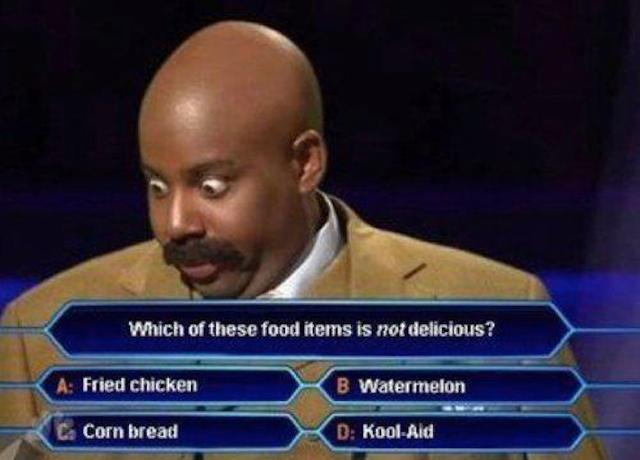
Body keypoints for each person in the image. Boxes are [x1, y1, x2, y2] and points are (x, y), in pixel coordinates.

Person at [0, 21, 606, 460]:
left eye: (211, 186)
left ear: (304, 164)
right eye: (157, 186)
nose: (175, 223)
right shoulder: (44, 333)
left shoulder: (497, 319)